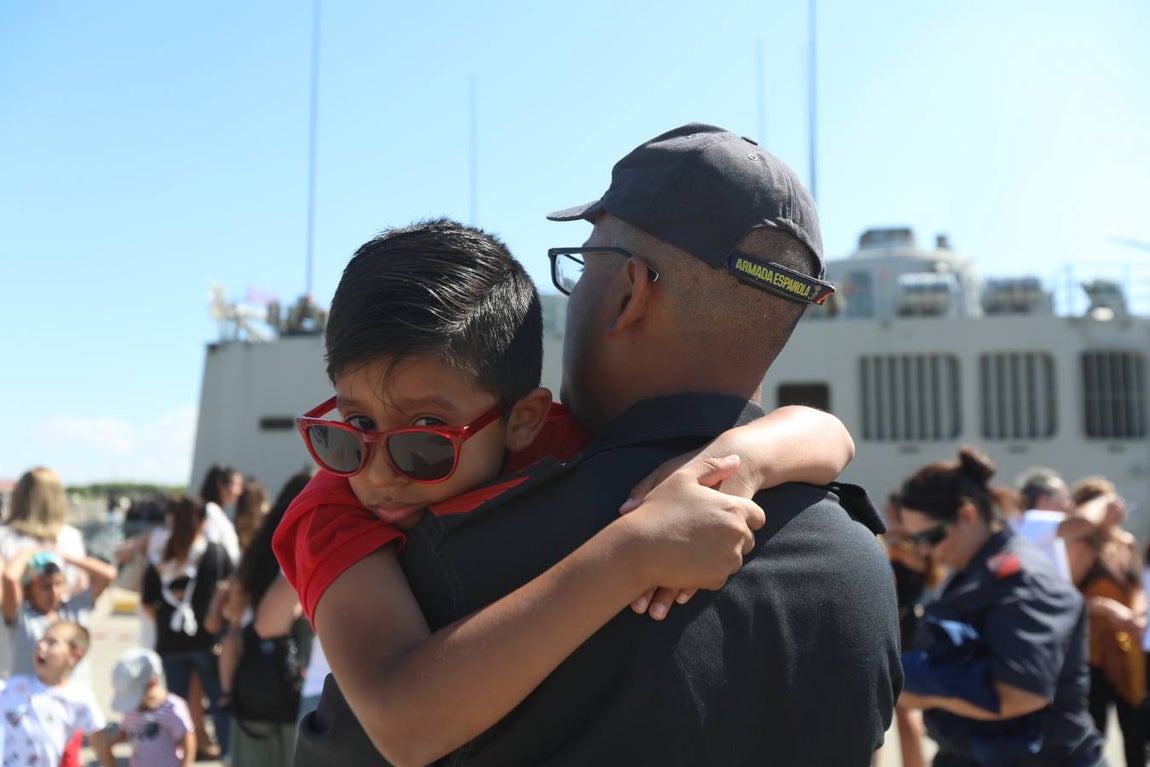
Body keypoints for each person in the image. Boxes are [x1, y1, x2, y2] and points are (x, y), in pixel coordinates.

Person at [284, 124, 901, 765]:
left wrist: (717, 481)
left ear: (628, 293)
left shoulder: (441, 565)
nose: (382, 470)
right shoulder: (861, 569)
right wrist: (739, 467)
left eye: (580, 268)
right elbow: (831, 434)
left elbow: (393, 727)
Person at [896, 446, 1105, 766]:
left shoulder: (1025, 580)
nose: (924, 552)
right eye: (915, 541)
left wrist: (909, 677)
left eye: (929, 537)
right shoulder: (973, 573)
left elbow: (1019, 693)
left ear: (967, 515)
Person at [224, 470, 312, 767]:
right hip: (284, 690)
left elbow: (232, 619)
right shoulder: (298, 552)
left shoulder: (258, 552)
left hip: (251, 682)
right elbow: (268, 624)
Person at [142, 495, 233, 761]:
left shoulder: (159, 559)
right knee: (219, 701)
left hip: (171, 642)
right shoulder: (216, 552)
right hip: (208, 639)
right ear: (203, 521)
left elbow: (148, 603)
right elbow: (229, 590)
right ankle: (227, 754)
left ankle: (177, 757)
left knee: (175, 706)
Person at [1067, 477, 1146, 767]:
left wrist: (1137, 613)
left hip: (1126, 649)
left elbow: (1136, 587)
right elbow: (1066, 600)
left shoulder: (1125, 543)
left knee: (1136, 731)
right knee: (1094, 730)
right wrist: (1109, 609)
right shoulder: (1081, 548)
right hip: (1092, 654)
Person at [0, 467, 89, 674]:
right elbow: (80, 586)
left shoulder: (5, 538)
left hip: (10, 647)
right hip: (60, 647)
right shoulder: (71, 538)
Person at [0, 620, 112, 767]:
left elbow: (99, 741)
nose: (41, 645)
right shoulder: (11, 686)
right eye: (42, 639)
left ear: (74, 656)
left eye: (51, 642)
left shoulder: (79, 698)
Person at [1, 547, 116, 690]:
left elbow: (108, 575)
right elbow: (9, 578)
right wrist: (27, 553)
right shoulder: (21, 615)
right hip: (27, 700)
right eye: (45, 586)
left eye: (58, 584)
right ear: (29, 589)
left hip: (68, 699)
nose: (54, 592)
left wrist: (64, 556)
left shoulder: (73, 609)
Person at [101, 647, 195, 767]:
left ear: (152, 684)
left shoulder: (171, 708)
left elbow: (187, 738)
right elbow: (126, 731)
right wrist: (110, 743)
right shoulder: (132, 710)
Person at [1012, 467, 1073, 580]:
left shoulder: (1021, 522)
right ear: (1044, 500)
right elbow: (1086, 523)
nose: (1068, 505)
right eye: (1063, 498)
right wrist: (1102, 502)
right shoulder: (1036, 520)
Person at [197, 464, 243, 566]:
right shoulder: (211, 511)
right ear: (220, 484)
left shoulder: (217, 513)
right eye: (236, 484)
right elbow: (211, 550)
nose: (239, 492)